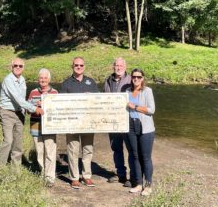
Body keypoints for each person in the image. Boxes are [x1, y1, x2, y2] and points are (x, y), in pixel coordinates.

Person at [60, 56, 99, 189]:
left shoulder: (91, 82)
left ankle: (86, 176)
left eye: (81, 65)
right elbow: (61, 104)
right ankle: (74, 178)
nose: (79, 67)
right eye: (76, 65)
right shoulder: (66, 83)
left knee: (88, 149)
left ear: (84, 66)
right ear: (72, 66)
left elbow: (98, 101)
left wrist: (91, 97)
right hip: (72, 123)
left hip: (88, 122)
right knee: (73, 150)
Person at [0, 58, 44, 166]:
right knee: (8, 141)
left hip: (19, 114)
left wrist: (27, 108)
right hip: (7, 112)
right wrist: (34, 109)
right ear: (11, 67)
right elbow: (17, 98)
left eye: (20, 66)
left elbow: (22, 99)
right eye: (15, 66)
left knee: (18, 142)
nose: (18, 68)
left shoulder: (22, 80)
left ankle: (16, 169)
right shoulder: (8, 80)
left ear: (23, 68)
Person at [103, 57, 135, 187]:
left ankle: (133, 177)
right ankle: (121, 174)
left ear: (125, 67)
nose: (119, 67)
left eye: (121, 65)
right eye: (116, 65)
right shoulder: (108, 80)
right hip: (112, 121)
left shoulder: (131, 80)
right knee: (116, 148)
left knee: (131, 149)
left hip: (128, 121)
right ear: (113, 67)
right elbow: (104, 98)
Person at [126, 68, 155, 196]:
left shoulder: (148, 91)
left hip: (145, 127)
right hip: (130, 126)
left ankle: (148, 185)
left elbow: (151, 110)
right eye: (134, 77)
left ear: (142, 78)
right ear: (131, 78)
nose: (136, 79)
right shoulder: (127, 91)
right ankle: (138, 184)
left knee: (146, 157)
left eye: (139, 77)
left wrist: (136, 107)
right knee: (135, 156)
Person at [28, 68, 58, 187]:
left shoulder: (55, 92)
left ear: (49, 79)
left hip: (50, 127)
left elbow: (58, 109)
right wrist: (35, 106)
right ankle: (42, 173)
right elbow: (27, 108)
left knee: (50, 152)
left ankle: (50, 177)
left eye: (45, 78)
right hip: (36, 126)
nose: (43, 80)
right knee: (40, 152)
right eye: (41, 78)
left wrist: (47, 104)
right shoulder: (33, 92)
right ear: (38, 79)